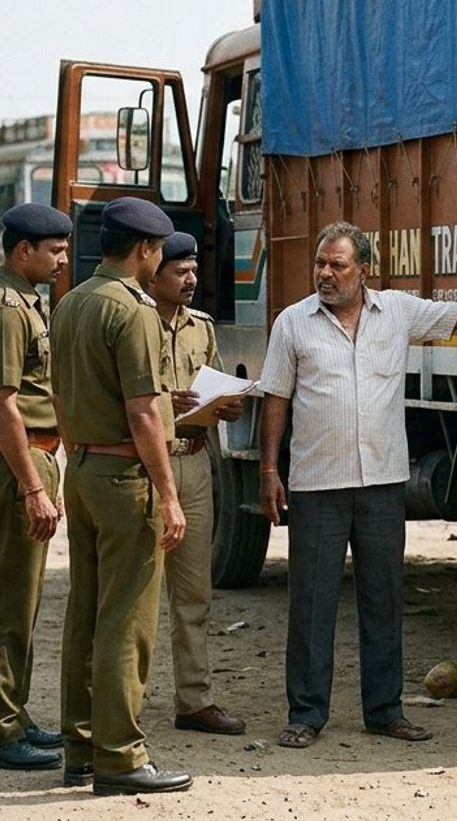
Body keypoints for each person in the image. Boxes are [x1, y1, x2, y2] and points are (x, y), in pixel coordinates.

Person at [258, 220, 457, 749]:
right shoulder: (292, 324)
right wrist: (269, 472)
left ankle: (385, 710)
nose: (325, 273)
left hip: (383, 483)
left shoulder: (398, 313)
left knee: (382, 599)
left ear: (364, 270)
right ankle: (306, 713)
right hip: (318, 485)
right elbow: (276, 399)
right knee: (312, 604)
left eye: (337, 265)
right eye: (320, 263)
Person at [50, 196, 192, 796]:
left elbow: (60, 395)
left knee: (84, 614)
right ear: (146, 251)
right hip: (123, 478)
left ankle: (81, 749)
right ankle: (119, 757)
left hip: (80, 469)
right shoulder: (132, 310)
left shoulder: (72, 302)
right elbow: (143, 414)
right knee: (125, 623)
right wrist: (169, 493)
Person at [144, 231, 246, 736]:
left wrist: (228, 405)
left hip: (195, 463)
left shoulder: (200, 328)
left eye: (192, 271)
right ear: (153, 273)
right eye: (178, 272)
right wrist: (167, 404)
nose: (190, 280)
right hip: (145, 464)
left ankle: (194, 701)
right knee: (136, 593)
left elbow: (218, 387)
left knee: (194, 593)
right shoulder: (134, 321)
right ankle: (121, 704)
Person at [0, 204, 72, 772]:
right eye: (53, 250)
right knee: (12, 600)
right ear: (22, 251)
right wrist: (31, 487)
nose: (62, 260)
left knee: (25, 602)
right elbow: (4, 405)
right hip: (17, 465)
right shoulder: (8, 308)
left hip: (37, 457)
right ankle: (2, 728)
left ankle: (14, 713)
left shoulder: (29, 301)